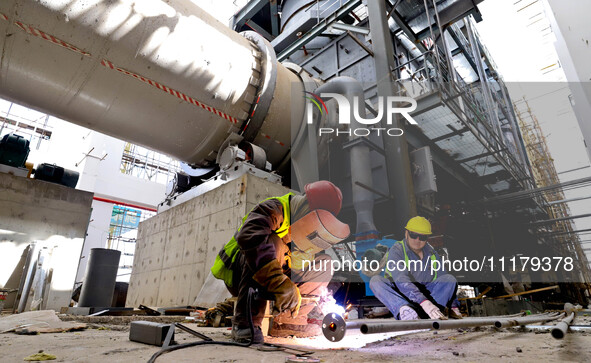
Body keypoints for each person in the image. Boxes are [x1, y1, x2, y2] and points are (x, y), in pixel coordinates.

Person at [211, 181, 349, 343]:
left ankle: (287, 321)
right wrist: (279, 283)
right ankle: (245, 322)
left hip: (279, 277)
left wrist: (291, 286)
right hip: (240, 275)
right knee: (271, 242)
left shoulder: (312, 232)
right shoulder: (274, 208)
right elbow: (249, 237)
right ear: (306, 205)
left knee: (324, 263)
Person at [370, 216, 461, 320]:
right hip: (405, 296)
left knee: (449, 279)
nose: (417, 240)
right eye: (413, 235)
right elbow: (401, 280)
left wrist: (453, 305)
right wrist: (423, 302)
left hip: (429, 298)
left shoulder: (432, 254)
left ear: (427, 238)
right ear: (406, 233)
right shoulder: (397, 250)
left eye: (422, 237)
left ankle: (430, 313)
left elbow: (443, 277)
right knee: (376, 281)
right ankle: (405, 311)